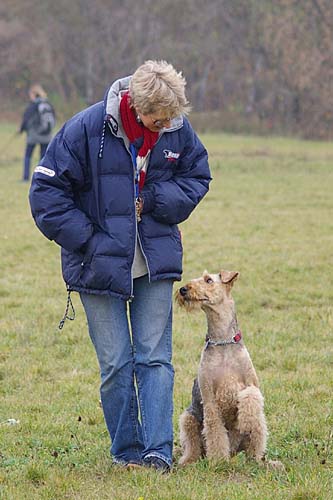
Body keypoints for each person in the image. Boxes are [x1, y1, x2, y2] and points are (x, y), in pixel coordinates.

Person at [29, 60, 211, 472]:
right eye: (158, 118)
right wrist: (91, 242)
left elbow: (198, 176)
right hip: (97, 267)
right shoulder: (86, 128)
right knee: (116, 364)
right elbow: (45, 193)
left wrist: (154, 202)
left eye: (172, 118)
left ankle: (158, 453)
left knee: (155, 360)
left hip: (154, 263)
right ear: (134, 105)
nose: (166, 125)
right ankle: (126, 451)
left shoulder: (176, 127)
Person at [19, 84, 55, 181]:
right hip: (47, 135)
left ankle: (26, 178)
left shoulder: (33, 105)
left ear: (34, 94)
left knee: (28, 156)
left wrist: (21, 129)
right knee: (43, 158)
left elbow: (26, 119)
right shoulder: (48, 104)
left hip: (34, 135)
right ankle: (41, 178)